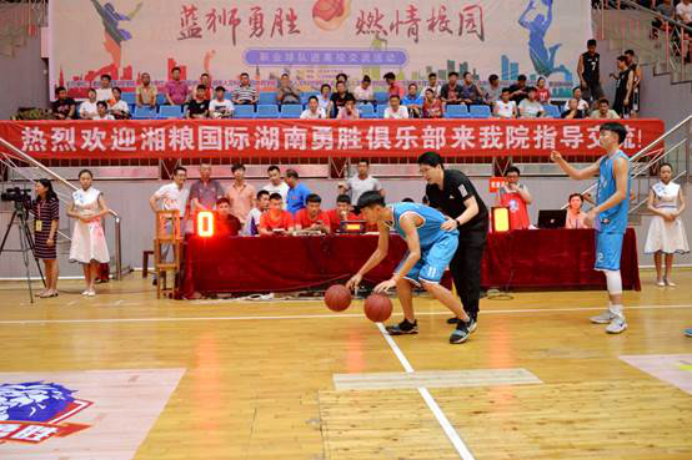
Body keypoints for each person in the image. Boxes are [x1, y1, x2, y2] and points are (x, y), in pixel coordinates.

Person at [346, 192, 476, 345]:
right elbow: (381, 251)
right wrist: (360, 273)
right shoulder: (383, 219)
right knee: (402, 279)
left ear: (377, 209)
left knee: (428, 283)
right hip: (423, 243)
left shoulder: (404, 218)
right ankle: (409, 323)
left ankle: (466, 320)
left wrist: (393, 279)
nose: (363, 216)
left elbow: (415, 253)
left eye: (365, 212)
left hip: (443, 239)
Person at [551, 122, 632, 334]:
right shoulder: (604, 160)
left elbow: (622, 193)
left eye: (604, 134)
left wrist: (595, 210)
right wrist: (561, 161)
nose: (600, 137)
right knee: (605, 267)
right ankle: (611, 311)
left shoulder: (620, 161)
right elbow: (578, 175)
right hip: (603, 220)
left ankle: (620, 317)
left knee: (611, 268)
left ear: (615, 137)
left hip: (613, 222)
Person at [419, 152, 488, 326]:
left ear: (438, 167)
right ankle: (462, 311)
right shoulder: (431, 189)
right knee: (457, 269)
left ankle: (472, 314)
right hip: (454, 228)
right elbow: (435, 213)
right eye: (421, 172)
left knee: (470, 268)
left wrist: (456, 222)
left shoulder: (457, 180)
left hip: (474, 225)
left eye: (426, 170)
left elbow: (473, 207)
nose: (424, 175)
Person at [67, 170, 111, 297]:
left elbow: (105, 210)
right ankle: (87, 285)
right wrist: (79, 215)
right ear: (79, 180)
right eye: (83, 178)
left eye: (87, 178)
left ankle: (92, 285)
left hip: (94, 227)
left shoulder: (97, 193)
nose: (85, 181)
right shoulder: (76, 194)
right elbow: (68, 211)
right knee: (84, 257)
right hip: (81, 227)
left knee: (93, 256)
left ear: (91, 179)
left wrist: (93, 215)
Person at [645, 163, 689, 287]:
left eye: (668, 172)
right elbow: (649, 206)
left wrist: (677, 213)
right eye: (663, 172)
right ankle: (659, 276)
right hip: (660, 219)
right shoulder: (655, 187)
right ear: (659, 173)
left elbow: (683, 204)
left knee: (671, 248)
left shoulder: (677, 187)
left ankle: (668, 276)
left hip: (673, 219)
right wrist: (663, 214)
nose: (666, 174)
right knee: (658, 248)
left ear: (672, 173)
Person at [149, 167, 189, 284]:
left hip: (180, 222)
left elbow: (186, 207)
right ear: (174, 176)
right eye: (180, 175)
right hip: (168, 221)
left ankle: (177, 275)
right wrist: (159, 214)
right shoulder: (167, 188)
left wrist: (185, 220)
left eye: (184, 175)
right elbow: (152, 200)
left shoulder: (186, 191)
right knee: (163, 249)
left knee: (179, 250)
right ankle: (157, 275)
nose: (182, 177)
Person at [31, 179, 60, 298]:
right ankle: (47, 287)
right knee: (45, 261)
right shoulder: (37, 202)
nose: (36, 188)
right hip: (39, 234)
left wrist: (51, 237)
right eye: (35, 186)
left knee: (51, 260)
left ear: (46, 188)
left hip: (49, 234)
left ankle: (53, 289)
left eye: (38, 186)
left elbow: (55, 220)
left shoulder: (52, 201)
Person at [499, 166, 533, 230]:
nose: (512, 179)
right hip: (507, 224)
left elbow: (529, 201)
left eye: (514, 177)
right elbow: (497, 207)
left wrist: (517, 189)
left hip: (522, 224)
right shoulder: (501, 190)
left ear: (518, 177)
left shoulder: (522, 187)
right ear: (506, 178)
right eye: (509, 177)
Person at [578, 39, 604, 104]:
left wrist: (600, 77)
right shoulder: (583, 56)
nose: (591, 50)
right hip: (586, 80)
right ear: (587, 47)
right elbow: (578, 70)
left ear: (595, 47)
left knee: (601, 98)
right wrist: (582, 81)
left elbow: (597, 67)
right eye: (590, 48)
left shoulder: (597, 55)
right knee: (586, 99)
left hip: (595, 80)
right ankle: (587, 110)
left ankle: (597, 109)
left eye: (593, 48)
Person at [624, 50, 643, 118]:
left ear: (632, 57)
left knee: (634, 108)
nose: (627, 59)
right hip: (627, 89)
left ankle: (635, 122)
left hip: (634, 90)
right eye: (625, 57)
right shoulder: (626, 67)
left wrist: (635, 85)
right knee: (627, 107)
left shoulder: (636, 66)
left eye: (628, 57)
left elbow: (639, 77)